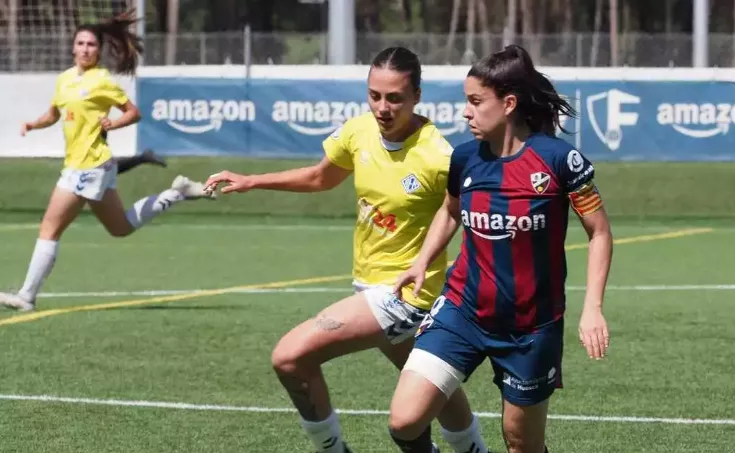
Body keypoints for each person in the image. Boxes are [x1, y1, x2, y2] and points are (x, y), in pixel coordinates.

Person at [204, 47, 491, 453]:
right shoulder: (358, 132)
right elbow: (322, 177)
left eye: (395, 98)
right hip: (370, 287)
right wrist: (252, 181)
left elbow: (466, 214)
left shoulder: (437, 155)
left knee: (289, 357)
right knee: (433, 386)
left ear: (417, 97)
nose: (383, 107)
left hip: (405, 296)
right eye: (375, 95)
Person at [387, 45, 614, 453]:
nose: (466, 113)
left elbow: (599, 233)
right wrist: (421, 261)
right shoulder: (465, 158)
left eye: (475, 102)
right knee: (405, 421)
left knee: (520, 442)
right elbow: (450, 211)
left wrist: (592, 307)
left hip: (531, 328)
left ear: (509, 104)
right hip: (462, 311)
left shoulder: (561, 161)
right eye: (465, 102)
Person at [0, 10, 213, 313]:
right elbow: (53, 114)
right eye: (81, 43)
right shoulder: (64, 80)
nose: (85, 49)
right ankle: (176, 193)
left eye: (91, 45)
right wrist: (34, 124)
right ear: (72, 48)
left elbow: (133, 112)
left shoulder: (101, 81)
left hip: (89, 167)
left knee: (49, 228)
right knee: (121, 227)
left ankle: (26, 296)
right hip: (89, 165)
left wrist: (114, 124)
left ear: (98, 51)